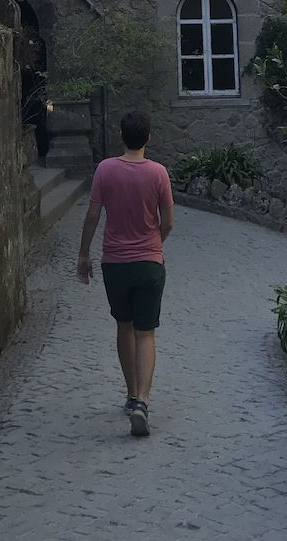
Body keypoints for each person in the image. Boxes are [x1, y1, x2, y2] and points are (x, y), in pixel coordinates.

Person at [77, 110, 174, 437]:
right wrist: (153, 246)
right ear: (148, 138)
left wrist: (83, 254)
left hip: (115, 264)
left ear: (122, 136)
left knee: (124, 326)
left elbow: (92, 214)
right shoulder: (159, 174)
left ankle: (131, 394)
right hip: (149, 264)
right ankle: (143, 402)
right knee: (146, 333)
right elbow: (169, 221)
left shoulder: (105, 169)